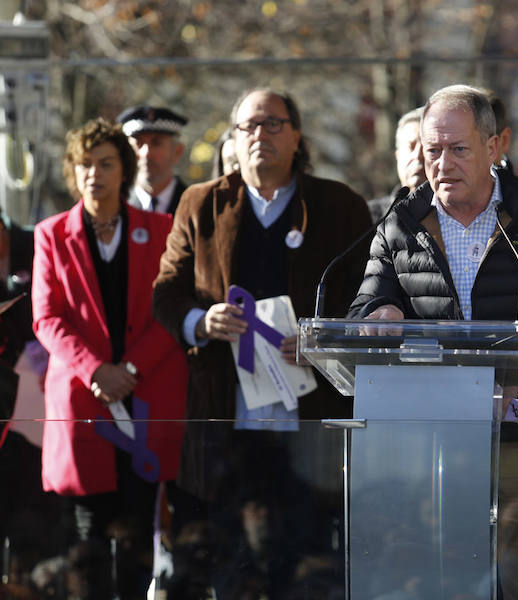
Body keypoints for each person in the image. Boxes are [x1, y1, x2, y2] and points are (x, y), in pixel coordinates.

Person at [349, 84, 518, 600]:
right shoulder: (399, 222)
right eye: (432, 150)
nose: (442, 163)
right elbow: (361, 311)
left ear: (494, 148)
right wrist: (381, 312)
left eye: (458, 149)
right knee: (441, 586)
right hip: (433, 447)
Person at [152, 88, 372, 595]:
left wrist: (324, 339)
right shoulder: (200, 203)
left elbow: (373, 298)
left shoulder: (339, 207)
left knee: (309, 566)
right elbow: (167, 292)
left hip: (313, 421)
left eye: (273, 124)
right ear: (233, 137)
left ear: (296, 135)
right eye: (248, 126)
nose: (259, 136)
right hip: (227, 423)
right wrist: (201, 321)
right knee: (234, 568)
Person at [30, 118, 188, 600]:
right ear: (73, 173)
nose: (94, 173)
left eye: (105, 163)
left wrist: (132, 370)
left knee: (139, 534)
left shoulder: (162, 229)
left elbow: (171, 308)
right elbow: (47, 317)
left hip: (147, 396)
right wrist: (96, 370)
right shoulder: (51, 235)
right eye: (84, 165)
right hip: (85, 403)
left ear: (124, 170)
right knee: (88, 538)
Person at [116, 105, 188, 215]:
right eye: (138, 143)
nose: (146, 153)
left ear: (177, 151)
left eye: (156, 143)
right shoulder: (114, 205)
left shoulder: (195, 205)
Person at [367, 106, 425, 221]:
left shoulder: (455, 217)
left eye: (428, 147)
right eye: (410, 147)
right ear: (398, 156)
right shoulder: (368, 216)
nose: (418, 155)